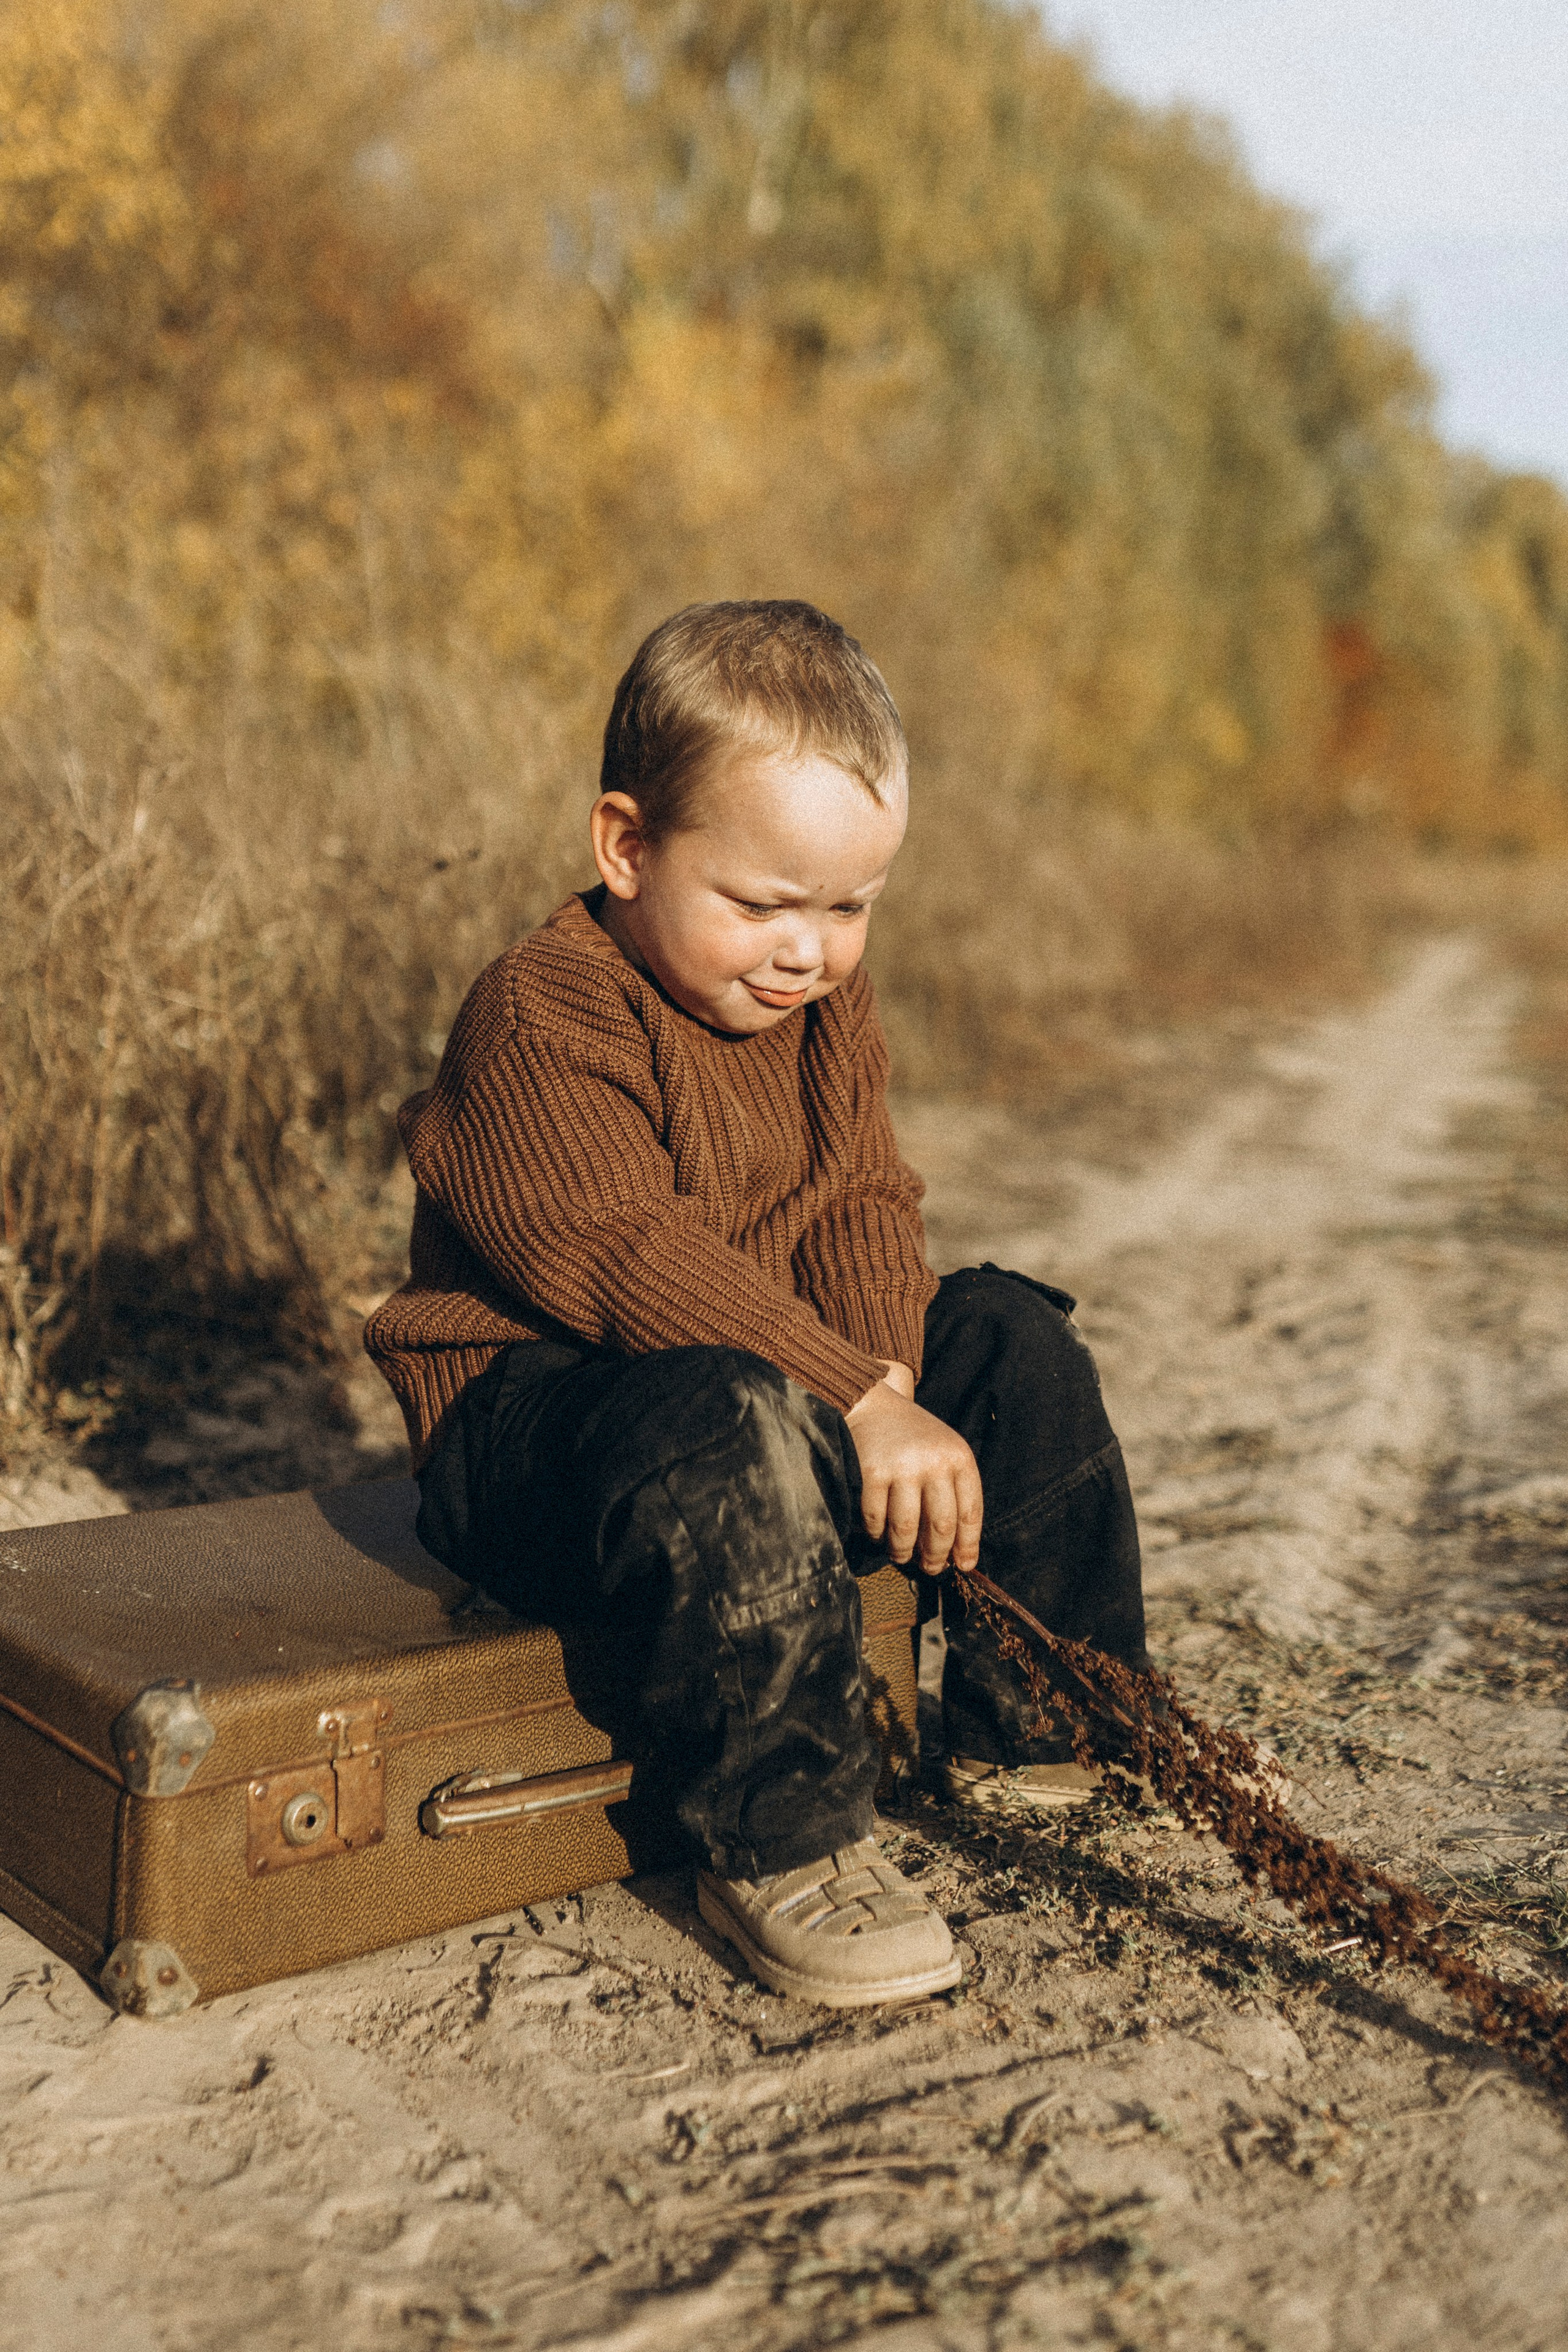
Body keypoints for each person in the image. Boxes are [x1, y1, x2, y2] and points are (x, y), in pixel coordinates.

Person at [366, 600, 1150, 2010]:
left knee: (1006, 1335)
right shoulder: (544, 1013)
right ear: (627, 848)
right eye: (763, 905)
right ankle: (782, 1837)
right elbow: (616, 1253)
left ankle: (1051, 1719)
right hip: (540, 1434)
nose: (807, 953)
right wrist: (847, 1398)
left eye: (847, 909)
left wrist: (893, 1389)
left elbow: (858, 1201)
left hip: (759, 1400)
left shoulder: (819, 1016)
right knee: (718, 1403)